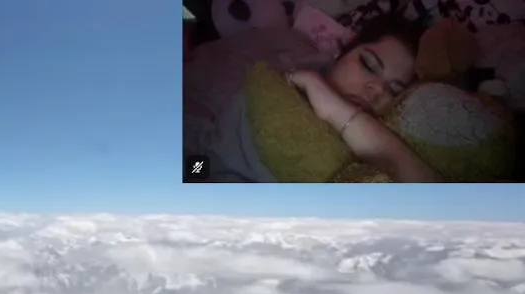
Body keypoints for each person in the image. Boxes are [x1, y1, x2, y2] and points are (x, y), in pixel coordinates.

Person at [183, 13, 439, 182]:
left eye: (394, 90)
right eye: (368, 65)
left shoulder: (388, 144)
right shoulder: (277, 82)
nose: (378, 89)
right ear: (340, 55)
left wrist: (337, 111)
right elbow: (209, 159)